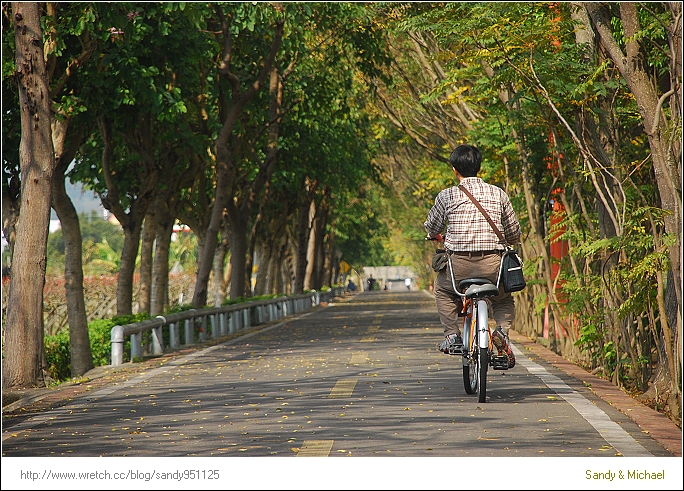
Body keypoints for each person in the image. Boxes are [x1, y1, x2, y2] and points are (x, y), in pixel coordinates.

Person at [424, 144, 521, 359]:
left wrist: (436, 236)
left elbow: (432, 227)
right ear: (479, 168)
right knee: (503, 298)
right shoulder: (498, 194)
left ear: (454, 170)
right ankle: (502, 332)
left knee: (443, 291)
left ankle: (451, 335)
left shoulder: (446, 196)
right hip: (492, 267)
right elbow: (514, 232)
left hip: (458, 268)